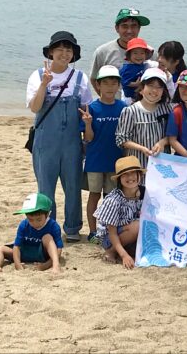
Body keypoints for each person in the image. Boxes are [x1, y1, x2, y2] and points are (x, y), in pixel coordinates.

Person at [26, 31, 94, 242]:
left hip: (72, 141)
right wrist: (45, 84)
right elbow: (35, 108)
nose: (64, 53)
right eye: (60, 49)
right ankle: (49, 227)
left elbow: (86, 111)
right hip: (45, 140)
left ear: (73, 54)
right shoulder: (37, 76)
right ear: (51, 52)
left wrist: (87, 133)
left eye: (68, 49)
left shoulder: (80, 78)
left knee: (72, 185)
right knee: (46, 186)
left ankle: (73, 228)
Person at [80, 65, 127, 243]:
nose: (109, 87)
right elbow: (89, 139)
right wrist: (89, 124)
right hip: (95, 161)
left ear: (118, 86)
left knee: (110, 198)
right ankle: (92, 232)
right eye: (105, 83)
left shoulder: (123, 108)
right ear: (98, 85)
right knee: (94, 195)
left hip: (115, 162)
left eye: (113, 83)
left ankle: (107, 230)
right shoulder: (91, 108)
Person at [0, 193, 63, 274]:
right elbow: (17, 246)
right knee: (0, 249)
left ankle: (56, 266)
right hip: (24, 253)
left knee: (47, 237)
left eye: (39, 219)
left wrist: (45, 266)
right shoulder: (23, 225)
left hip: (42, 254)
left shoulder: (53, 226)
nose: (35, 223)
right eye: (31, 220)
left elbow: (58, 250)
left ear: (47, 214)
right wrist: (17, 264)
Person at [93, 156, 146, 269]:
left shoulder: (145, 193)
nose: (130, 177)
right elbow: (112, 233)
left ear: (140, 175)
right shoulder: (114, 200)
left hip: (132, 235)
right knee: (137, 225)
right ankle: (111, 251)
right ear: (119, 179)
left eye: (133, 173)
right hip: (111, 237)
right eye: (125, 174)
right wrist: (124, 255)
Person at [115, 67, 173, 169]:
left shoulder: (167, 109)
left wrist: (162, 142)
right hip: (137, 165)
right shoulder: (130, 111)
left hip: (162, 165)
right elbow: (121, 139)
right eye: (151, 85)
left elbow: (173, 135)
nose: (155, 90)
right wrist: (142, 148)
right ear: (142, 88)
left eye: (159, 87)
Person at [90, 8, 150, 95]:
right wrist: (107, 100)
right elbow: (94, 79)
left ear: (139, 28)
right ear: (117, 28)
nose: (129, 31)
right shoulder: (103, 52)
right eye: (124, 26)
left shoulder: (149, 53)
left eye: (134, 26)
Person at [119, 37, 154, 104]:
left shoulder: (143, 65)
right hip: (129, 97)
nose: (139, 56)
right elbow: (123, 81)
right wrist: (135, 84)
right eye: (135, 53)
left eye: (142, 53)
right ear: (129, 55)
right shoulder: (128, 68)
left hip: (139, 95)